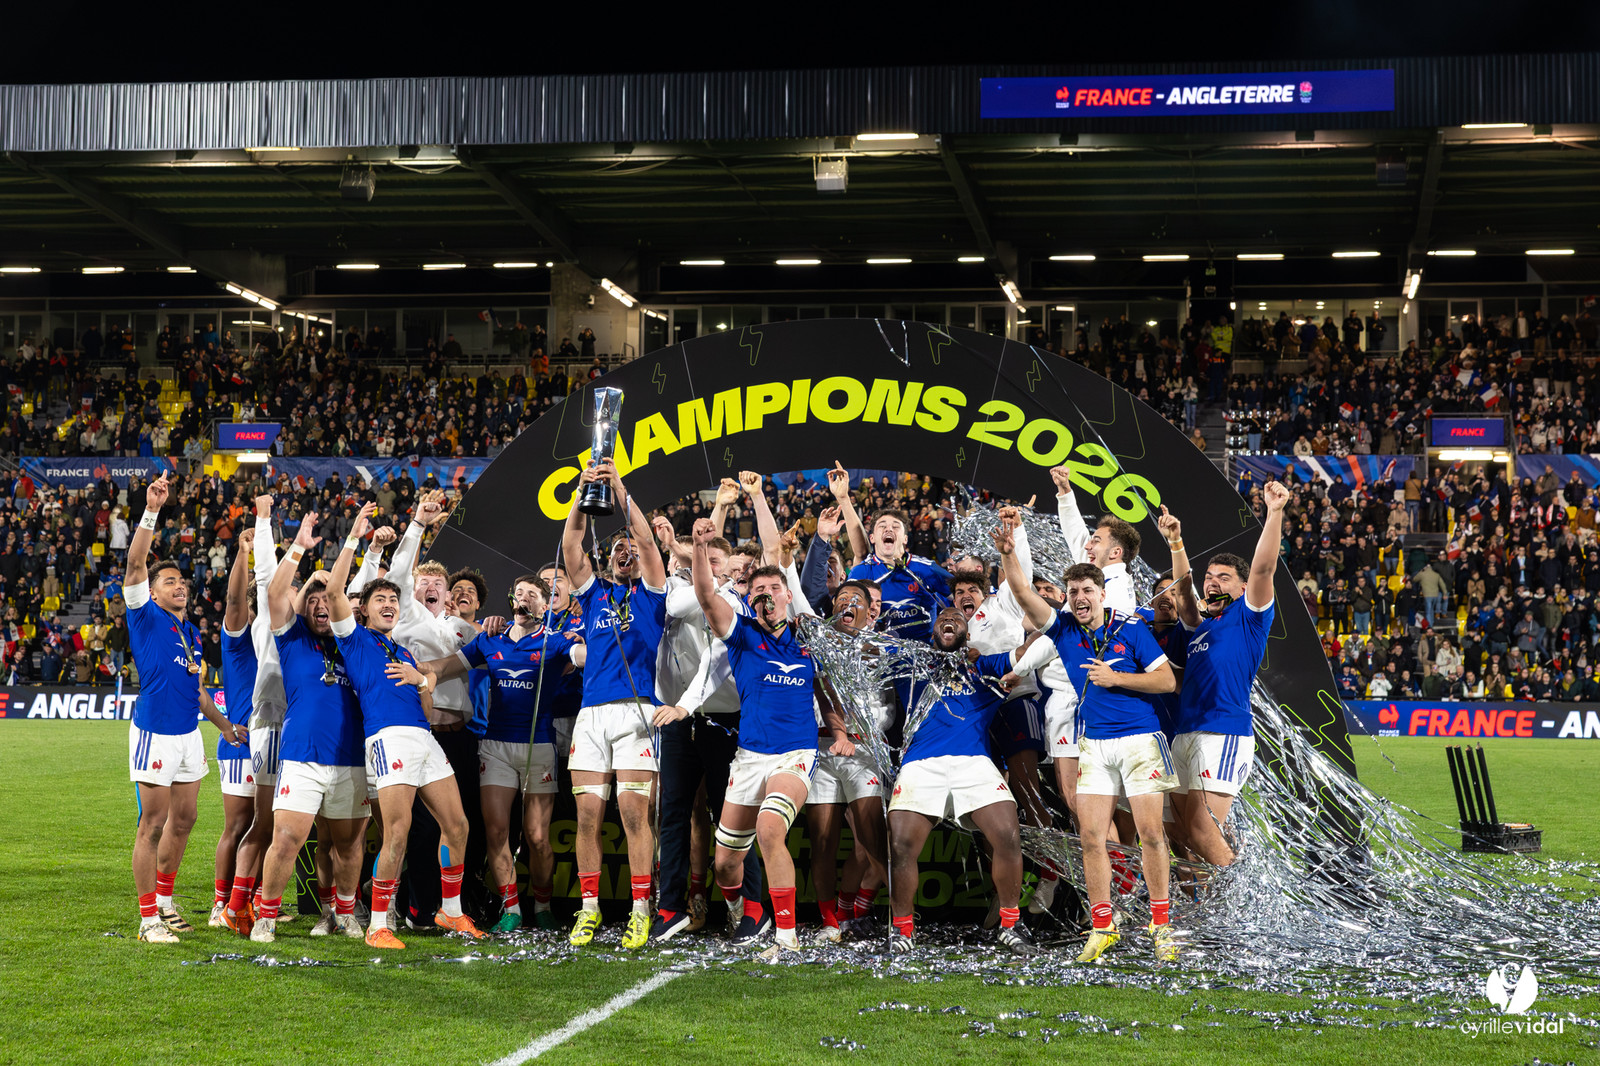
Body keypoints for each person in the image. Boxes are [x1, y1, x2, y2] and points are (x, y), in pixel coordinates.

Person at [997, 531, 1179, 964]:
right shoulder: (1063, 629)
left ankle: (1161, 927)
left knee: (1151, 835)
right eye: (1074, 591)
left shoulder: (1130, 628)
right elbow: (1023, 593)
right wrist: (1008, 554)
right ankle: (1102, 927)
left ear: (1102, 594)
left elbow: (1167, 681)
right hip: (1094, 743)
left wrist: (1117, 678)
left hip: (1139, 740)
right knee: (1091, 837)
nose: (1080, 598)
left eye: (1087, 591)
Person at [658, 518, 826, 953]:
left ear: (787, 595)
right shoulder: (742, 636)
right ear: (750, 601)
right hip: (749, 757)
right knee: (725, 865)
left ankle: (786, 937)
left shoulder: (811, 639)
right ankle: (739, 909)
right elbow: (706, 596)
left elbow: (831, 690)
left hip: (795, 755)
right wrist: (698, 547)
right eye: (758, 590)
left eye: (774, 588)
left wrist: (842, 729)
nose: (767, 594)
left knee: (770, 829)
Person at [324, 503, 488, 946]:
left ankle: (450, 911)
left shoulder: (403, 649)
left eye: (394, 600)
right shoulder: (354, 640)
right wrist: (355, 537)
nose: (390, 604)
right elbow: (335, 590)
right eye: (381, 600)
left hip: (424, 737)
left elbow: (428, 694)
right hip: (388, 738)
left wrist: (424, 681)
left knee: (458, 826)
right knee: (396, 832)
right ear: (363, 611)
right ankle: (379, 923)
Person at [417, 574, 586, 932]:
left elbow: (582, 657)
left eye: (532, 594)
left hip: (539, 747)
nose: (523, 598)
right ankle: (512, 910)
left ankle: (542, 906)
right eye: (518, 592)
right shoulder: (490, 639)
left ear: (544, 605)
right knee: (497, 833)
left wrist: (589, 640)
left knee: (537, 837)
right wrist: (416, 668)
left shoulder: (555, 641)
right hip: (495, 747)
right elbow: (444, 667)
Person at [124, 473, 246, 942]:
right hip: (155, 731)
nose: (179, 585)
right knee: (152, 825)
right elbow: (135, 563)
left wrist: (225, 727)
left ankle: (165, 900)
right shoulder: (145, 616)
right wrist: (152, 509)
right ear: (152, 591)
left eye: (181, 580)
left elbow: (197, 692)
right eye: (169, 581)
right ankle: (147, 919)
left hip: (188, 734)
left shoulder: (189, 633)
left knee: (186, 819)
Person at [561, 457, 669, 949]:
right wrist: (582, 495)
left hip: (636, 714)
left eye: (631, 549)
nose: (626, 552)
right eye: (617, 549)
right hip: (591, 716)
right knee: (587, 818)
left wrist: (620, 490)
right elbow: (571, 545)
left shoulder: (652, 593)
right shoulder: (594, 594)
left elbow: (646, 540)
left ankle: (640, 909)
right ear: (607, 559)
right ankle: (589, 910)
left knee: (633, 816)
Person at [885, 604, 1032, 956]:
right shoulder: (913, 666)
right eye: (942, 617)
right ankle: (902, 931)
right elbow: (866, 649)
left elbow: (1029, 650)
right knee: (901, 846)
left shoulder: (984, 667)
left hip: (974, 762)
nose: (949, 619)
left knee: (1008, 836)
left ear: (968, 634)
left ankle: (1010, 925)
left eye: (957, 618)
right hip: (921, 763)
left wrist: (1046, 620)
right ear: (933, 631)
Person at [249, 517, 369, 945]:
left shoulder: (356, 643)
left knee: (348, 845)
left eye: (327, 599)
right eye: (313, 599)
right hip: (301, 756)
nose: (321, 605)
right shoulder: (292, 638)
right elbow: (274, 594)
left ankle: (342, 913)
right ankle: (265, 917)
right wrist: (298, 547)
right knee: (286, 839)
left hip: (351, 759)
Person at [1166, 482, 1286, 869]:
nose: (1212, 582)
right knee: (1179, 833)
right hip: (1185, 732)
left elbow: (1264, 567)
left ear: (1243, 587)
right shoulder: (1201, 626)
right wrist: (1176, 542)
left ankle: (1244, 902)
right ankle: (1200, 904)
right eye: (1209, 576)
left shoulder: (1250, 616)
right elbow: (1183, 594)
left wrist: (1274, 513)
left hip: (1223, 732)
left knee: (1203, 831)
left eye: (1223, 577)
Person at [800, 578, 889, 943]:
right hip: (821, 748)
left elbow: (889, 707)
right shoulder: (814, 645)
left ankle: (893, 918)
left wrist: (860, 732)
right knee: (823, 842)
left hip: (863, 750)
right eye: (842, 597)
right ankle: (830, 922)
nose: (848, 602)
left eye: (856, 599)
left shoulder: (881, 649)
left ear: (870, 612)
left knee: (872, 840)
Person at [209, 529, 259, 928]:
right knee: (238, 826)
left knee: (267, 827)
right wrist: (243, 553)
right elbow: (234, 600)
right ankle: (219, 902)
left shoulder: (284, 641)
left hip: (278, 745)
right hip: (242, 745)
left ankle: (252, 899)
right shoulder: (239, 637)